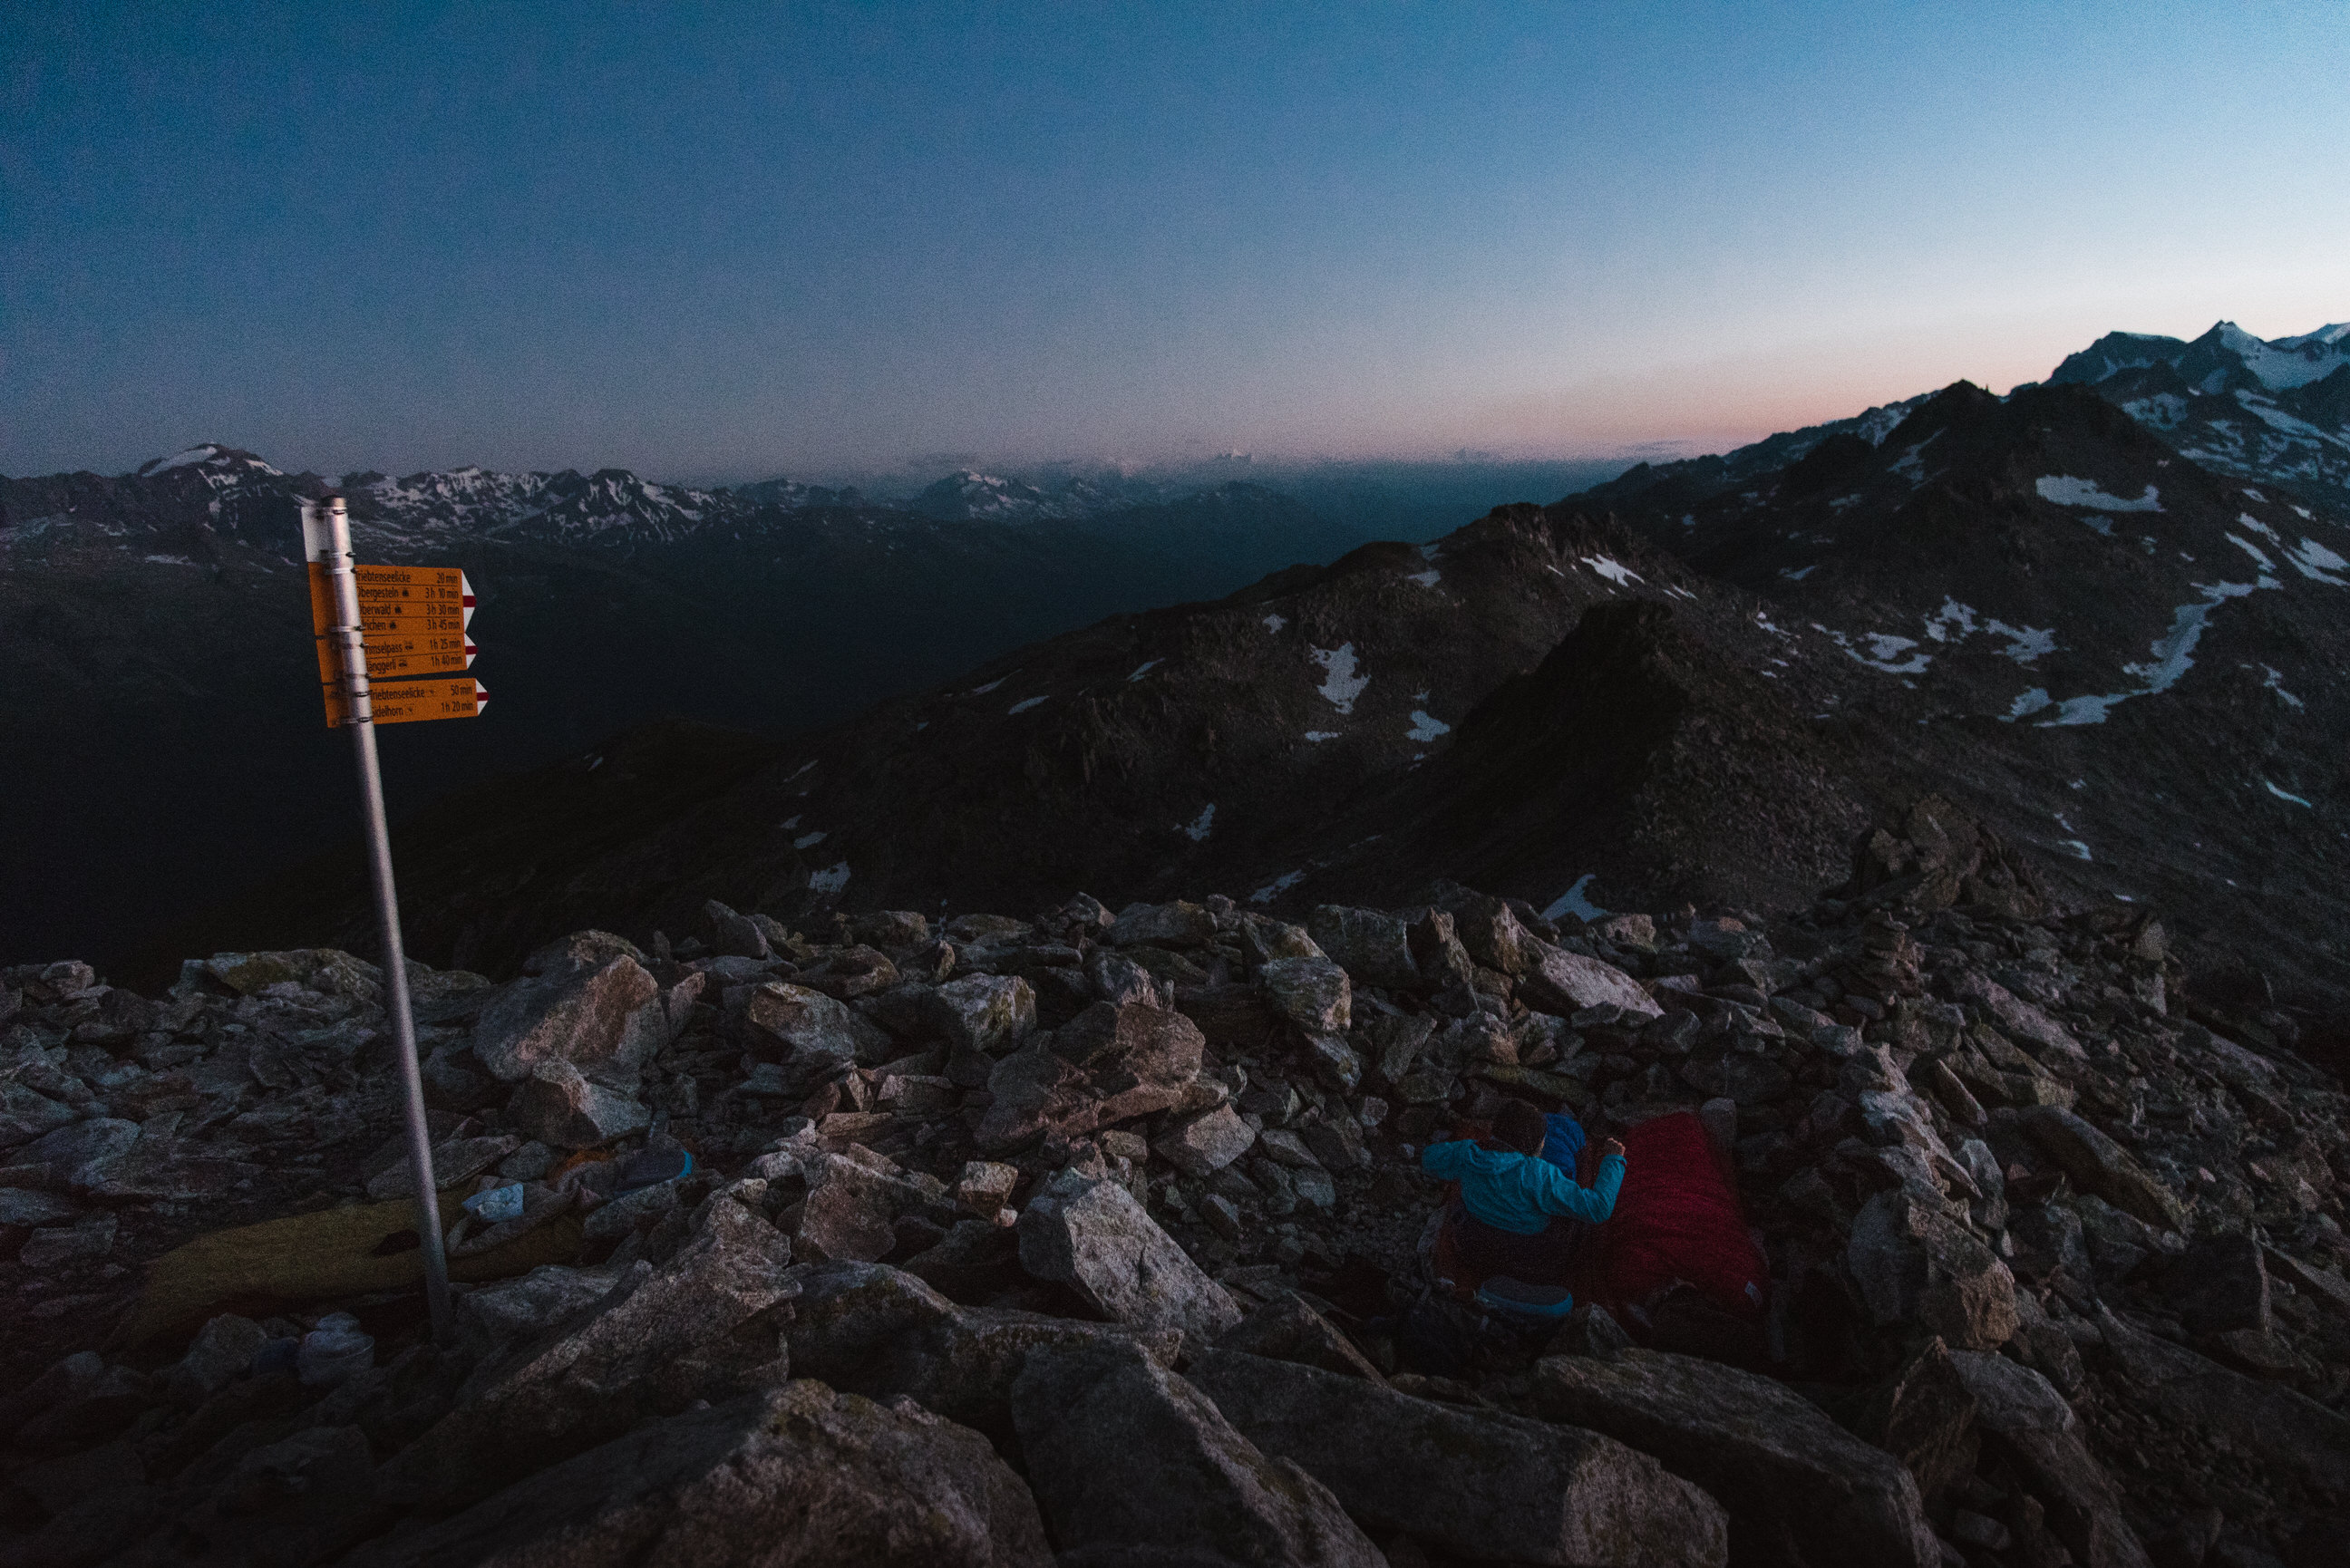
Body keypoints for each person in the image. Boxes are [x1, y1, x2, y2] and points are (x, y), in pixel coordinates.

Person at [1421, 1099, 1626, 1287]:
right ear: (1534, 1144)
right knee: (1572, 1212)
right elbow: (1599, 1209)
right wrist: (1612, 1160)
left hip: (1473, 1247)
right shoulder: (1538, 1174)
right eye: (1542, 1141)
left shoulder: (1467, 1154)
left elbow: (1428, 1159)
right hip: (1532, 1258)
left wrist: (1466, 1150)